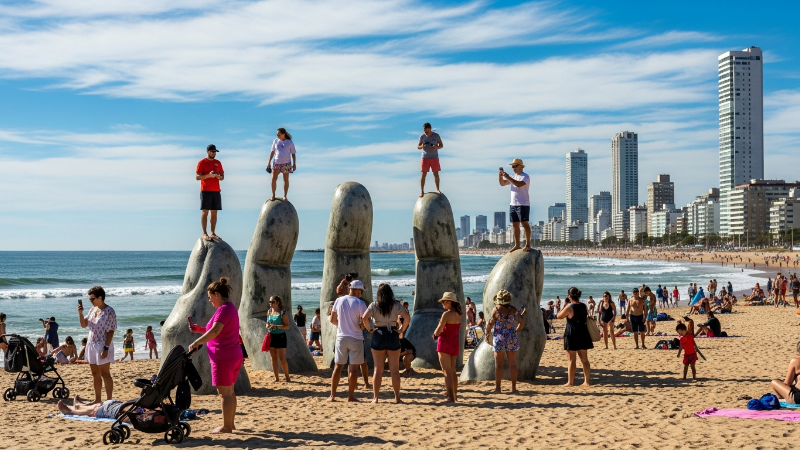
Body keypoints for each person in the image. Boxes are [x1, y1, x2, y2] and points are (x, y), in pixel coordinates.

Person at [189, 277, 243, 434]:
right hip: (233, 355)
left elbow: (214, 331)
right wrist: (199, 329)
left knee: (224, 394)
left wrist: (197, 342)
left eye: (210, 297)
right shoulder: (230, 308)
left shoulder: (223, 310)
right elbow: (216, 329)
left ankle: (226, 427)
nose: (209, 300)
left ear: (217, 294)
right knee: (230, 392)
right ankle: (230, 424)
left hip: (223, 357)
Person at [361, 284, 410, 403]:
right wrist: (402, 330)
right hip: (392, 332)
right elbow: (407, 317)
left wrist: (369, 329)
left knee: (378, 369)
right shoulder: (396, 304)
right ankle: (397, 398)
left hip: (378, 333)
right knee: (394, 370)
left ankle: (376, 398)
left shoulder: (374, 305)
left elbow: (364, 317)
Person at [328, 280, 369, 402]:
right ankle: (350, 396)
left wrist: (342, 326)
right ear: (357, 290)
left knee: (337, 367)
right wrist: (360, 327)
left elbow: (332, 319)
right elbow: (365, 322)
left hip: (341, 337)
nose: (361, 293)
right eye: (361, 291)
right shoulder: (360, 303)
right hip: (356, 337)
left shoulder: (339, 300)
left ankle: (332, 395)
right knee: (354, 369)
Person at [78, 286, 117, 404]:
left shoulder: (109, 311)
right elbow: (84, 325)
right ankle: (98, 400)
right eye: (90, 299)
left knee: (105, 373)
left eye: (92, 299)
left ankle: (109, 401)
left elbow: (111, 331)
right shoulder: (92, 310)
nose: (91, 301)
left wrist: (105, 348)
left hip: (102, 344)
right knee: (95, 374)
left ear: (100, 297)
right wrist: (80, 313)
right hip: (91, 344)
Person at [486, 289, 526, 393]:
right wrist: (517, 329)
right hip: (511, 338)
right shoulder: (513, 310)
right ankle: (513, 388)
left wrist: (487, 334)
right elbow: (521, 322)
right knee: (512, 364)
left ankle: (498, 388)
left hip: (499, 338)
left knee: (498, 365)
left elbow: (490, 324)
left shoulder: (495, 310)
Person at [557, 287, 592, 386]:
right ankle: (587, 381)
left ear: (569, 296)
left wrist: (565, 304)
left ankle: (570, 382)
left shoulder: (569, 307)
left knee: (572, 359)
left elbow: (558, 316)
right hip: (583, 332)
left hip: (572, 333)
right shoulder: (584, 306)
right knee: (584, 359)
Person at [433, 292, 462, 403]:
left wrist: (435, 335)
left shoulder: (446, 314)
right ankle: (455, 396)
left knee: (446, 372)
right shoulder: (458, 314)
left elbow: (439, 329)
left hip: (445, 343)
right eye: (443, 301)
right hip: (455, 343)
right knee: (452, 371)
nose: (443, 303)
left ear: (451, 302)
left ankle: (450, 398)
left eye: (446, 301)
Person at [498, 158, 531, 252]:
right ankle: (517, 245)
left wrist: (508, 177)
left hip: (523, 203)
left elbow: (518, 184)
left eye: (515, 166)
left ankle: (528, 244)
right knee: (515, 225)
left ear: (521, 166)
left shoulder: (525, 176)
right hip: (513, 204)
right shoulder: (513, 177)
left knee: (525, 224)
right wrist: (500, 176)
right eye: (512, 166)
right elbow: (502, 183)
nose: (513, 168)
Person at [196, 144, 225, 241]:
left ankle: (212, 233)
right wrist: (209, 175)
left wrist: (219, 177)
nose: (214, 153)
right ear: (208, 152)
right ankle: (204, 233)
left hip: (216, 190)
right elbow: (197, 177)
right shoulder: (202, 163)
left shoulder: (218, 163)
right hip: (205, 190)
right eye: (212, 151)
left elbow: (222, 176)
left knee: (214, 212)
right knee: (205, 212)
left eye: (215, 152)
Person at [266, 295, 291, 383]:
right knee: (273, 358)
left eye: (272, 302)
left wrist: (276, 326)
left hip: (280, 336)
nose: (270, 304)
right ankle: (276, 378)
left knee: (282, 358)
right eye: (270, 302)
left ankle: (287, 376)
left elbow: (287, 326)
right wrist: (268, 326)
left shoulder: (283, 313)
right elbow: (267, 323)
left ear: (277, 302)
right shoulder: (269, 311)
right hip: (271, 335)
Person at [268, 128, 297, 201]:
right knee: (273, 178)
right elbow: (272, 152)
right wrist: (268, 163)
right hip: (277, 162)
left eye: (279, 134)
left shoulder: (289, 142)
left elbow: (293, 153)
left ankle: (285, 196)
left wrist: (294, 164)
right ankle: (273, 195)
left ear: (283, 134)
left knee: (285, 179)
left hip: (286, 163)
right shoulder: (275, 141)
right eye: (277, 134)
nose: (277, 135)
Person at [417, 122, 443, 197]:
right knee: (423, 174)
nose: (425, 131)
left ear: (430, 128)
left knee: (436, 174)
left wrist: (437, 147)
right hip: (425, 157)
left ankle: (437, 189)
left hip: (434, 157)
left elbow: (441, 145)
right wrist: (422, 146)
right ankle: (421, 191)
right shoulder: (422, 136)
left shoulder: (436, 136)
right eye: (424, 130)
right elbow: (418, 146)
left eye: (426, 130)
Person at [57, 396, 135, 421]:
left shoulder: (135, 415)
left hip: (107, 410)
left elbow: (122, 418)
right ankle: (79, 406)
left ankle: (72, 411)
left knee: (94, 409)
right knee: (97, 406)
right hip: (115, 404)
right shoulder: (142, 407)